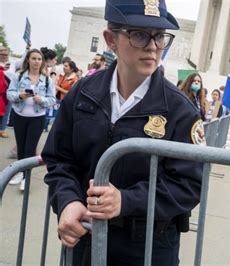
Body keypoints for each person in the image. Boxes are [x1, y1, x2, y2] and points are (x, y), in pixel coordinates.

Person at [42, 0, 204, 264]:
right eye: (139, 35)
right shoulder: (83, 94)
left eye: (160, 37)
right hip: (88, 238)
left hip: (148, 247)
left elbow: (189, 184)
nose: (153, 46)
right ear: (111, 39)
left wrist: (127, 201)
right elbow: (60, 160)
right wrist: (67, 201)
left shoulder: (180, 110)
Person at [7, 49, 55, 191]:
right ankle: (20, 173)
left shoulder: (47, 80)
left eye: (39, 59)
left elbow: (52, 99)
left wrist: (42, 100)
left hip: (37, 118)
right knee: (21, 147)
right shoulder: (19, 76)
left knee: (30, 148)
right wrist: (20, 96)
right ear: (28, 60)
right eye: (33, 58)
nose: (36, 61)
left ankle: (26, 177)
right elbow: (10, 93)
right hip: (19, 115)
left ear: (42, 62)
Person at [0, 46, 10, 138]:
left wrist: (27, 47)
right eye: (2, 54)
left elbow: (23, 59)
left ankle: (2, 130)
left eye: (6, 54)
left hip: (8, 92)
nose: (4, 56)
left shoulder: (13, 64)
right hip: (0, 92)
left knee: (6, 112)